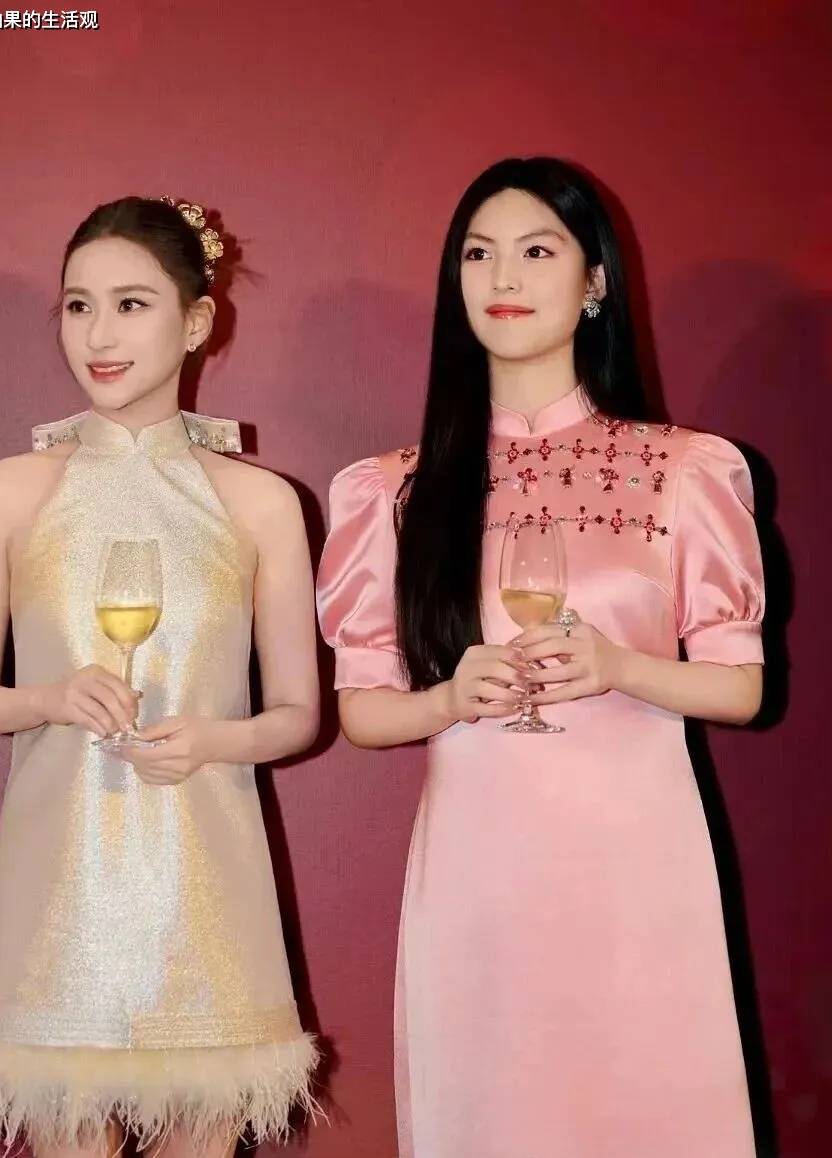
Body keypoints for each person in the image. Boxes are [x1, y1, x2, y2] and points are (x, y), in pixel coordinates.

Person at [316, 158, 765, 1158]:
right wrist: (448, 699)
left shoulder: (684, 469)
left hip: (637, 873)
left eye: (536, 250)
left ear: (595, 280)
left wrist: (619, 667)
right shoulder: (392, 491)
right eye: (478, 254)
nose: (503, 277)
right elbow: (364, 709)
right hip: (480, 881)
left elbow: (741, 689)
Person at [0, 196, 319, 1158]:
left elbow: (297, 713)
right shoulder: (9, 490)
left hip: (208, 882)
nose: (99, 336)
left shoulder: (263, 502)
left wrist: (216, 739)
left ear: (197, 322)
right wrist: (49, 698)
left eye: (132, 305)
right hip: (56, 886)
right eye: (78, 306)